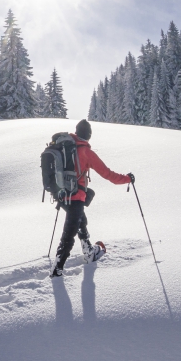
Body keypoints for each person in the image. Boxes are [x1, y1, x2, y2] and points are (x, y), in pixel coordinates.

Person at [51, 119, 135, 277]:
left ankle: (88, 249)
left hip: (62, 195)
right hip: (75, 197)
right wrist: (128, 179)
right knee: (68, 235)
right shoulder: (86, 152)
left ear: (76, 132)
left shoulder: (65, 146)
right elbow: (108, 174)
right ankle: (57, 271)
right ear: (89, 135)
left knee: (80, 221)